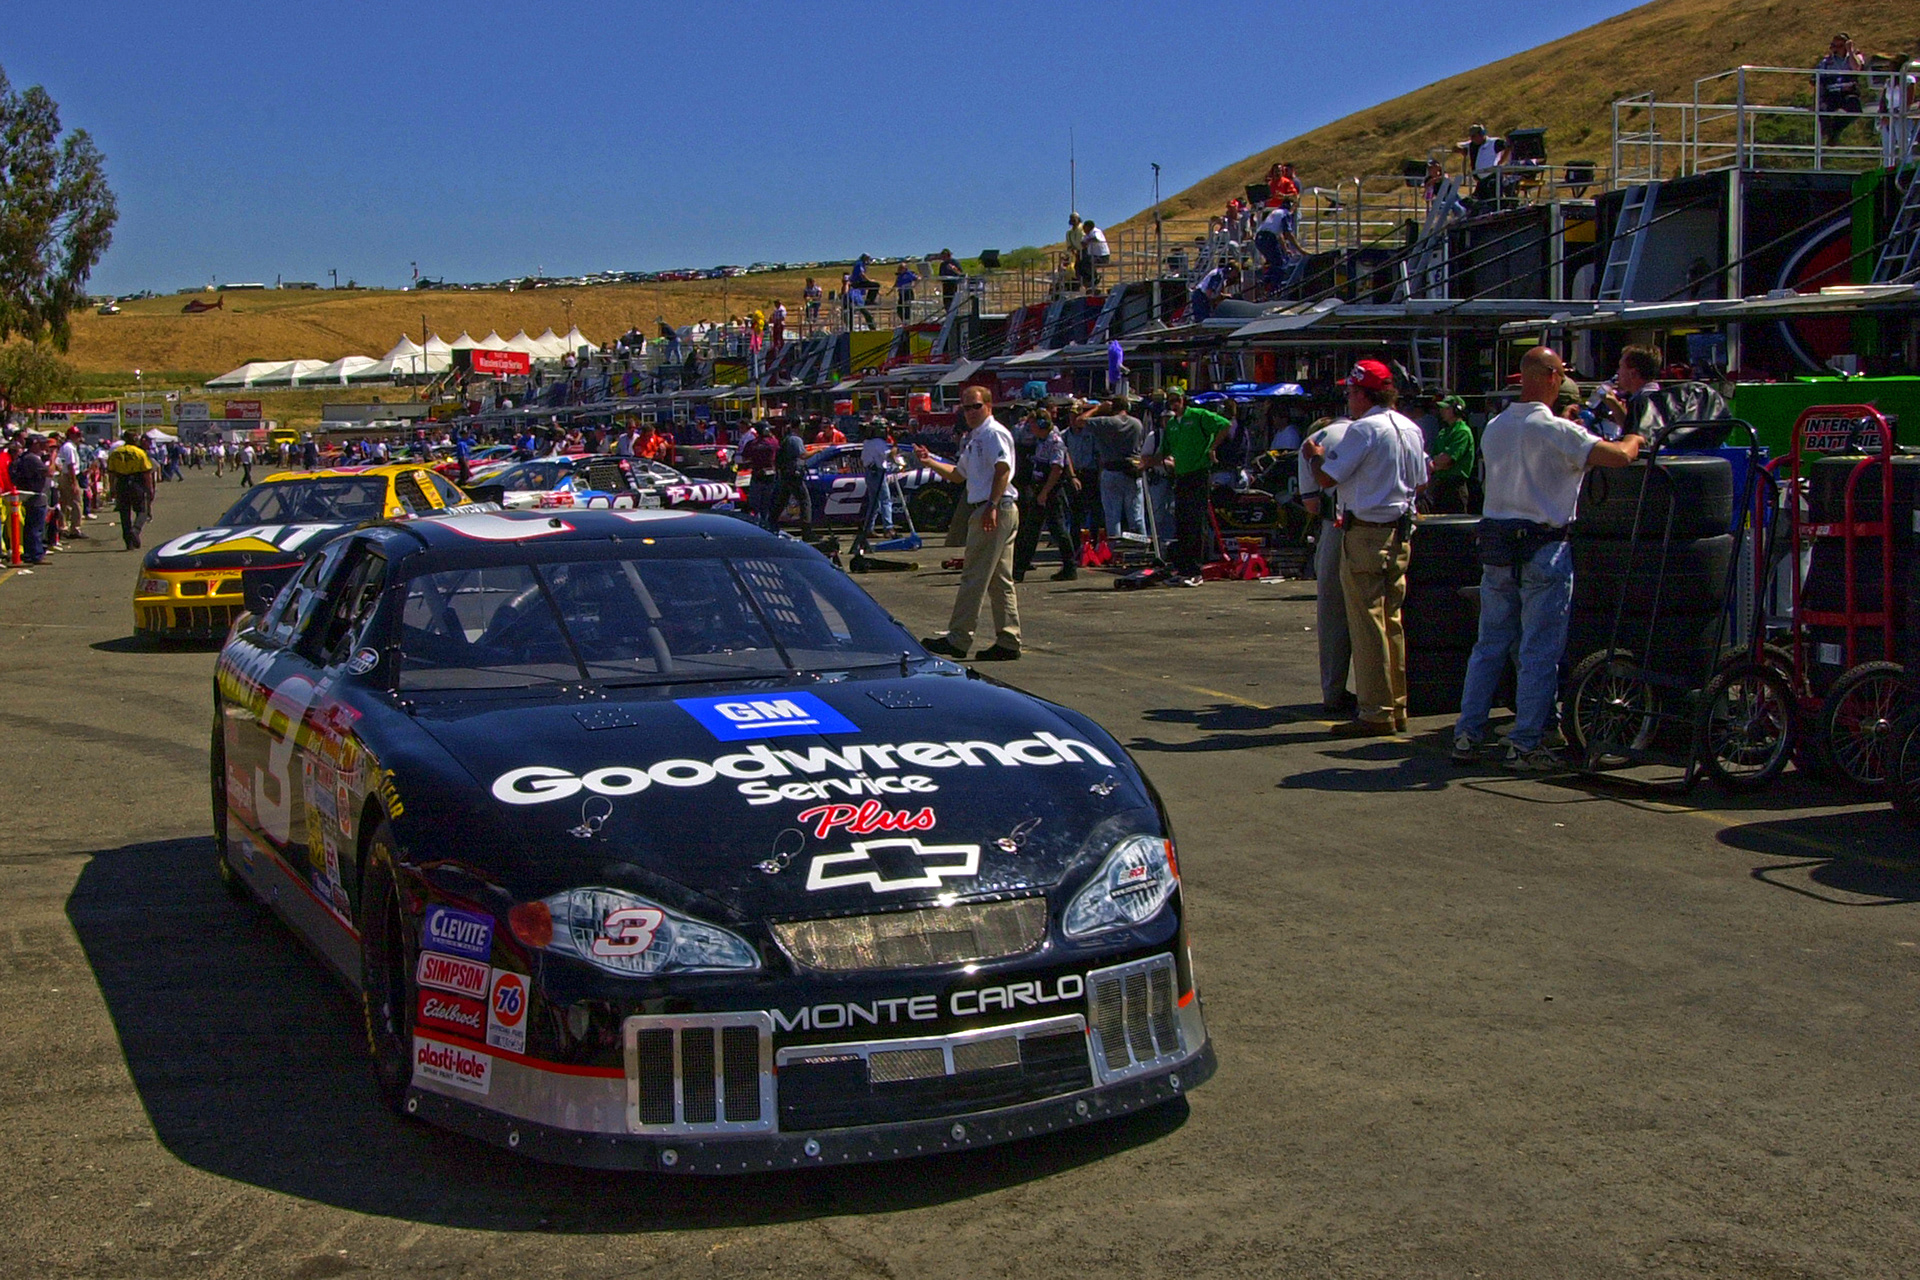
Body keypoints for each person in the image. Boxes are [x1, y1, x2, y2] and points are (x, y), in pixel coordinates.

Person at [1452, 346, 1645, 771]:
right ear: (1554, 377)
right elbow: (1618, 458)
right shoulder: (1557, 430)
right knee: (1539, 650)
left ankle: (1468, 732)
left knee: (1490, 644)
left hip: (1498, 544)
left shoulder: (1495, 427)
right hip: (1544, 544)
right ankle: (1525, 743)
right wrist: (1633, 436)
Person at [1300, 358, 1427, 736]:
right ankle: (1396, 704)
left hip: (1366, 530)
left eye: (1351, 393)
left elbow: (1326, 477)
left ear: (1362, 394)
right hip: (1400, 529)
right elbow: (1420, 480)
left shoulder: (1363, 430)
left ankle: (1375, 710)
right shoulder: (1410, 428)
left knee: (1366, 624)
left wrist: (1313, 455)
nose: (1348, 400)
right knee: (1392, 621)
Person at [917, 388, 1020, 660]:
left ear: (988, 406)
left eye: (975, 407)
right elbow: (958, 475)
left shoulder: (992, 433)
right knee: (999, 580)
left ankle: (959, 638)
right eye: (965, 408)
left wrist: (992, 506)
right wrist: (929, 461)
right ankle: (1008, 640)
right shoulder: (974, 438)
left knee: (974, 576)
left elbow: (1003, 469)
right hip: (991, 506)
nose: (970, 413)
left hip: (993, 507)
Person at [1146, 389, 1233, 584]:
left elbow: (1225, 425)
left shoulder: (1198, 415)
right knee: (1182, 521)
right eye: (1171, 401)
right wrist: (1146, 464)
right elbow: (1164, 451)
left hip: (1198, 474)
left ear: (1184, 400)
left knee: (1195, 521)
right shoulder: (1172, 425)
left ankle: (1195, 570)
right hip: (1181, 476)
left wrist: (1212, 448)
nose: (1174, 403)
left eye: (1177, 399)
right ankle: (1184, 568)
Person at [1298, 416, 1355, 715]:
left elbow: (1312, 503)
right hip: (1387, 524)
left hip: (1338, 523)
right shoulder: (1398, 429)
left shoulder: (1315, 441)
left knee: (1333, 612)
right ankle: (1381, 695)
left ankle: (1333, 690)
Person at [1012, 410, 1078, 582]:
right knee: (1031, 530)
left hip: (1051, 490)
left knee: (1059, 530)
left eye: (1033, 425)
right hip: (1039, 487)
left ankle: (1070, 566)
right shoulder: (1041, 441)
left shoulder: (1054, 441)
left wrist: (1044, 493)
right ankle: (1019, 569)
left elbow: (1057, 469)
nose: (1030, 428)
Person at [1076, 396, 1145, 539]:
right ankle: (1140, 547)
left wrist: (1098, 408)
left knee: (1113, 517)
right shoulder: (1137, 424)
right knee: (1136, 514)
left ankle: (1114, 551)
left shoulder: (1106, 422)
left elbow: (1079, 421)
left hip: (1111, 471)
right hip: (1132, 471)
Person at [1597, 345, 1662, 439]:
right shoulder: (1660, 397)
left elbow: (1633, 442)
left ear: (1633, 373)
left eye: (1621, 367)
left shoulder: (1641, 402)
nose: (1618, 372)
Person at [105, 429, 156, 551]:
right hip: (136, 483)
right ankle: (136, 530)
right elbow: (146, 473)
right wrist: (150, 489)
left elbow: (111, 473)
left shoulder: (116, 453)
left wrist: (112, 488)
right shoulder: (139, 453)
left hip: (121, 483)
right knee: (142, 511)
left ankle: (128, 542)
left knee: (124, 513)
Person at [1425, 395, 1476, 514]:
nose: (1442, 411)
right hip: (1439, 484)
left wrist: (1438, 463)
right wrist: (1438, 463)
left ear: (1457, 410)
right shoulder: (1443, 432)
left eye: (1446, 408)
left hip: (1455, 486)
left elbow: (1447, 460)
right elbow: (1434, 457)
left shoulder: (1462, 431)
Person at [1814, 33, 1866, 147]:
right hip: (1832, 92)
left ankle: (1836, 129)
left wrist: (1850, 51)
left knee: (1855, 110)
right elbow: (1816, 76)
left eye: (1839, 46)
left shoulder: (1855, 57)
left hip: (1848, 92)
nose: (1835, 49)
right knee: (1823, 111)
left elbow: (1857, 68)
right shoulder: (1826, 61)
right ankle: (1828, 134)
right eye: (1833, 46)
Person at [769, 420, 812, 538]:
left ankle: (769, 525)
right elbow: (803, 455)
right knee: (805, 501)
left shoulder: (787, 439)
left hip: (786, 475)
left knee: (781, 502)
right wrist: (817, 451)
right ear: (800, 427)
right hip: (794, 476)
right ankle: (807, 532)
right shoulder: (795, 439)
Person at [11, 436, 50, 564]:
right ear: (35, 444)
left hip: (35, 496)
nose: (46, 446)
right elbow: (50, 471)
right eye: (42, 443)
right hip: (36, 497)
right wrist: (53, 456)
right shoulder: (32, 459)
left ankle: (30, 553)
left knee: (32, 526)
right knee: (35, 527)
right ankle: (35, 554)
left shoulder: (31, 458)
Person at [858, 424, 898, 539]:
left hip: (869, 472)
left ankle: (869, 528)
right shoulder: (879, 442)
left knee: (874, 502)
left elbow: (862, 460)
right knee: (885, 500)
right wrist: (895, 445)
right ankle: (888, 528)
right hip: (878, 473)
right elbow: (890, 456)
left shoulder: (866, 443)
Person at [1455, 124, 1507, 202]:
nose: (1472, 139)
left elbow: (1509, 146)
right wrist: (1461, 150)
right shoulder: (1471, 144)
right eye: (1471, 137)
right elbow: (1457, 145)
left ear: (1481, 134)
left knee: (1493, 199)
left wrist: (1502, 161)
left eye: (1474, 136)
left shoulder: (1494, 142)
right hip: (1480, 180)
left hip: (1492, 177)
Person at [55, 429, 86, 541]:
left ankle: (63, 526)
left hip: (65, 476)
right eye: (77, 435)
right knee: (77, 502)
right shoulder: (69, 447)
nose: (79, 438)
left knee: (65, 503)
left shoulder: (67, 447)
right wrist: (74, 483)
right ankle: (75, 529)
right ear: (72, 435)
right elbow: (71, 466)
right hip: (69, 476)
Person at [1083, 220, 1110, 287]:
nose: (1083, 229)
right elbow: (1083, 242)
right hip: (1094, 255)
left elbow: (1096, 238)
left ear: (1089, 227)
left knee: (1089, 262)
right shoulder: (1088, 234)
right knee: (1081, 264)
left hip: (1102, 256)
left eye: (1084, 227)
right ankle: (1088, 280)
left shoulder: (1096, 231)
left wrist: (1088, 241)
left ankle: (1095, 277)